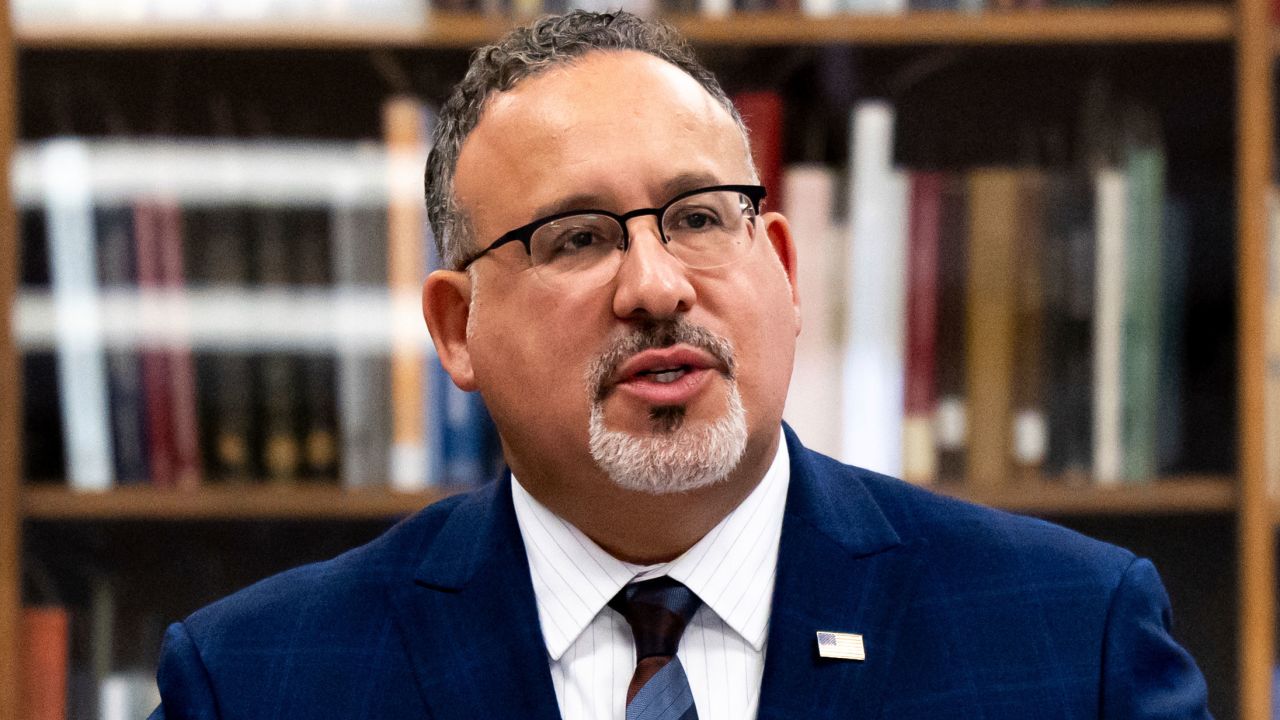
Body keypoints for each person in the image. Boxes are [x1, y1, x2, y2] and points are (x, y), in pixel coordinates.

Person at [150, 10, 1211, 720]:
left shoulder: (1074, 639)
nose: (654, 285)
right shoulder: (252, 682)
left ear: (783, 271)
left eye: (698, 216)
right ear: (457, 328)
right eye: (575, 237)